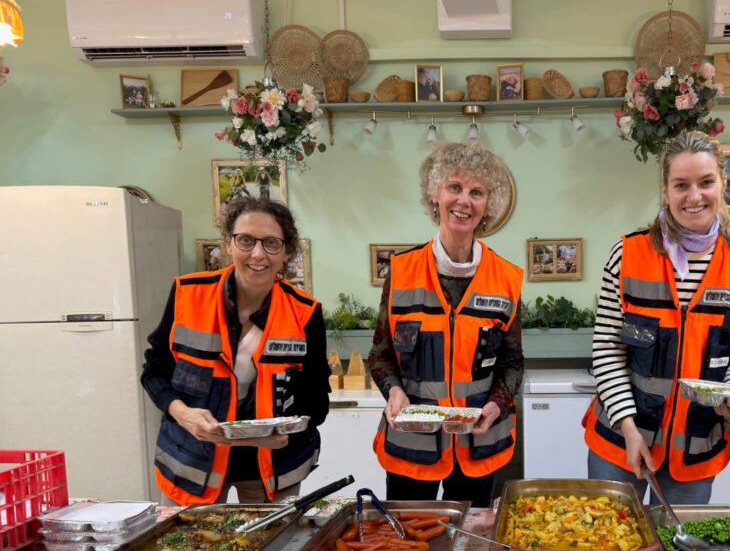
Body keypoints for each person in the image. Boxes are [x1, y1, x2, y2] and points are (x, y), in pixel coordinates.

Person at [583, 131, 730, 505]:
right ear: (666, 190)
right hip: (620, 439)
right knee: (609, 542)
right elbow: (607, 350)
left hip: (697, 445)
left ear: (723, 184)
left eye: (706, 182)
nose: (694, 196)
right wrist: (628, 428)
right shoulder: (627, 256)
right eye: (681, 185)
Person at [141, 198, 330, 505]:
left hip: (271, 466)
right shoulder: (187, 295)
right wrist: (183, 414)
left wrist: (284, 432)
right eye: (246, 240)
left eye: (271, 243)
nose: (258, 254)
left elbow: (316, 401)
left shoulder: (305, 313)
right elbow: (154, 370)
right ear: (229, 243)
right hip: (192, 460)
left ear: (287, 251)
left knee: (270, 550)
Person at [370, 141, 524, 507]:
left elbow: (513, 364)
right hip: (413, 445)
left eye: (477, 192)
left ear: (488, 205)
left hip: (479, 444)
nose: (464, 201)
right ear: (435, 194)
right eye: (454, 187)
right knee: (409, 544)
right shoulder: (403, 271)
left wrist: (496, 406)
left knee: (469, 547)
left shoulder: (506, 278)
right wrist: (393, 391)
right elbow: (380, 355)